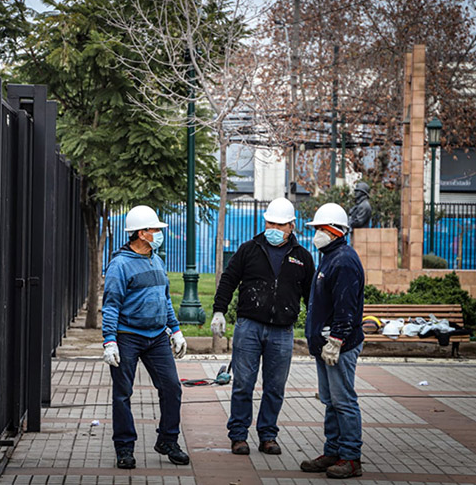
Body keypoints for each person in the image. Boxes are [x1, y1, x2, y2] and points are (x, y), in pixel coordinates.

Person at [210, 198, 315, 456]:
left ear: (292, 226)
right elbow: (228, 280)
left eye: (280, 224)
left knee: (275, 386)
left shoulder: (302, 257)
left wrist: (317, 324)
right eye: (270, 223)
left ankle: (268, 435)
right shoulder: (249, 250)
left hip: (282, 331)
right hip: (249, 327)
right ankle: (238, 436)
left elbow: (311, 294)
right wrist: (219, 310)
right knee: (243, 383)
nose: (274, 228)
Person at [101, 205, 190, 470]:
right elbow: (111, 304)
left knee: (172, 388)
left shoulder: (156, 259)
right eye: (155, 229)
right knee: (123, 393)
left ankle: (168, 440)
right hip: (127, 336)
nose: (159, 233)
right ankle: (125, 449)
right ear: (142, 233)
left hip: (157, 338)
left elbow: (165, 299)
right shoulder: (120, 265)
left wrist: (175, 330)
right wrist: (109, 340)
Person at [301, 203, 365, 479]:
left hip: (338, 345)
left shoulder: (344, 261)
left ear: (333, 231)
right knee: (331, 400)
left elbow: (346, 307)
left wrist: (336, 339)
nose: (315, 234)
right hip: (326, 345)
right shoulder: (330, 257)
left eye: (318, 229)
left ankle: (350, 457)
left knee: (343, 400)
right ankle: (333, 451)